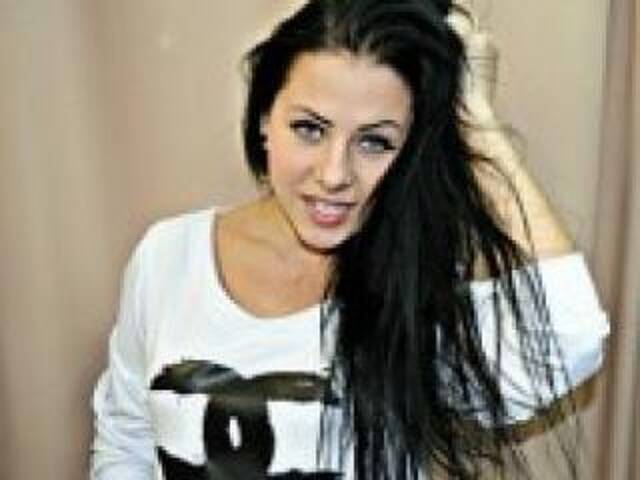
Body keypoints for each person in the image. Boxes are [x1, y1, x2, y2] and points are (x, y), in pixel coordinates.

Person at [90, 1, 609, 479]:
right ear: (265, 119)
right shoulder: (168, 256)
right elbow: (126, 437)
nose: (335, 174)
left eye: (374, 141)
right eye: (309, 129)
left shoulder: (414, 290)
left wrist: (474, 119)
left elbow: (570, 338)